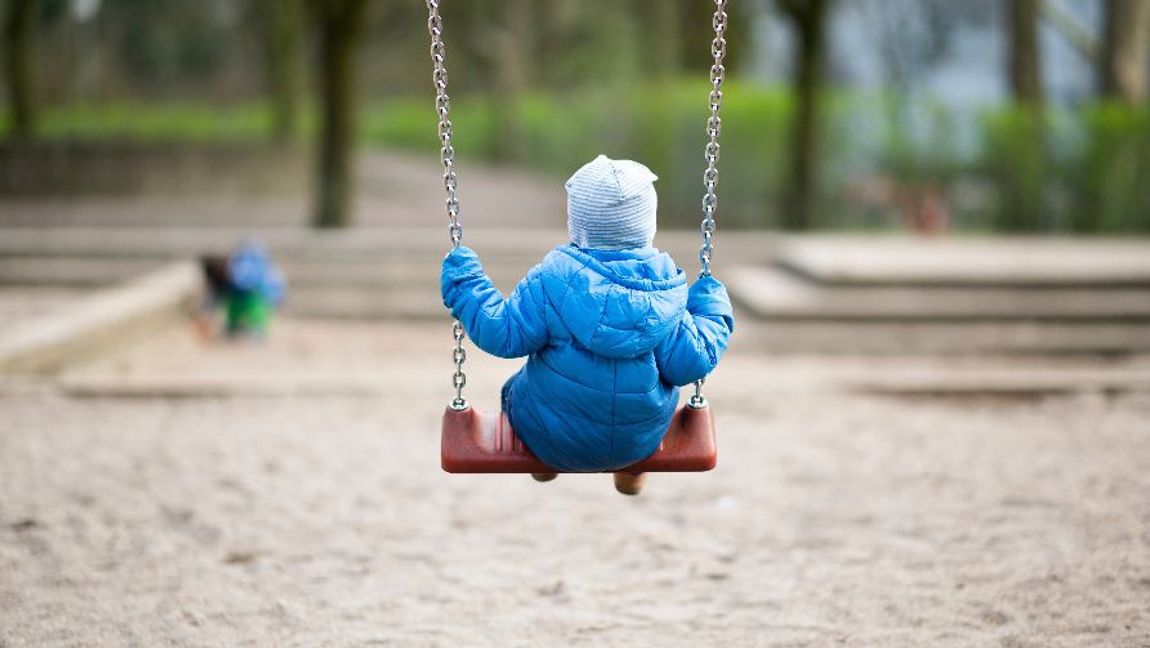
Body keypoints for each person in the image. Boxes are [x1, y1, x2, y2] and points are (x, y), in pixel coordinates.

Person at [440, 155, 734, 495]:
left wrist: (466, 283)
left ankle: (545, 463)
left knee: (516, 389)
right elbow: (691, 361)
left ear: (576, 224)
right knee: (648, 401)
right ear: (648, 227)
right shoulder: (665, 290)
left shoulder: (551, 280)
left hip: (548, 434)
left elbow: (501, 333)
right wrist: (711, 304)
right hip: (638, 438)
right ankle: (631, 471)